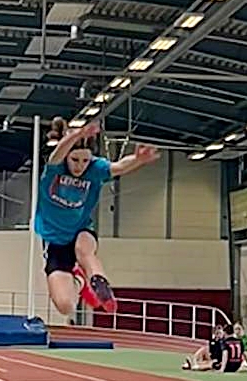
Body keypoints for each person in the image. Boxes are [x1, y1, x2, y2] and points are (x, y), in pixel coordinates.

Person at [36, 117, 160, 316]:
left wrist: (138, 160)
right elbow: (57, 152)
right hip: (55, 240)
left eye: (85, 160)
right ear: (67, 157)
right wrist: (77, 134)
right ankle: (80, 280)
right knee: (65, 306)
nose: (80, 166)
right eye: (75, 160)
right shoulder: (55, 168)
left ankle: (100, 284)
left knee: (84, 250)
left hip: (81, 229)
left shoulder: (95, 168)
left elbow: (119, 167)